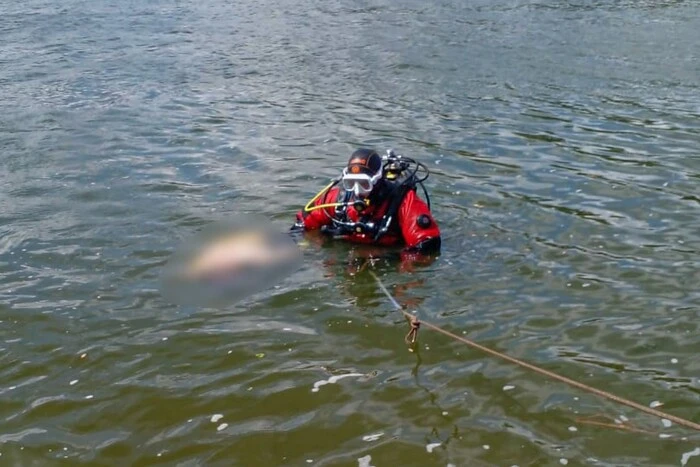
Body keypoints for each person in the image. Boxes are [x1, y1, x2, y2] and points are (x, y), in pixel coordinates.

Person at [291, 148, 441, 258]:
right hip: (347, 258)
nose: (357, 191)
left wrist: (386, 257)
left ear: (377, 180)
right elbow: (302, 224)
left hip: (387, 258)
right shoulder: (337, 199)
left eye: (364, 184)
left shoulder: (404, 201)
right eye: (351, 183)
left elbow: (427, 246)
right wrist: (303, 245)